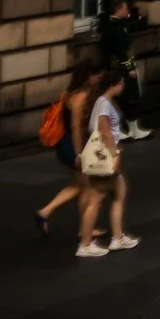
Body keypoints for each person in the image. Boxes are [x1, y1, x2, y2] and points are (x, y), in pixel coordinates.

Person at [73, 67, 138, 257]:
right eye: (121, 83)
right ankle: (85, 245)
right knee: (96, 200)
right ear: (114, 85)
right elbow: (104, 130)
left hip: (104, 156)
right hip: (105, 157)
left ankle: (117, 237)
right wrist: (114, 153)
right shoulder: (104, 104)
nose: (123, 86)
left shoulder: (103, 102)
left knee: (120, 191)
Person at [35, 64, 99, 235]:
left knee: (79, 185)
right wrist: (80, 153)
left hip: (65, 144)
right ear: (88, 77)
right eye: (96, 75)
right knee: (86, 186)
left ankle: (45, 212)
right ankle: (86, 229)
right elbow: (76, 127)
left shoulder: (71, 94)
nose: (98, 79)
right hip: (71, 145)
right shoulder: (80, 97)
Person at [95, 0, 152, 139]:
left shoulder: (114, 25)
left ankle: (131, 128)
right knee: (127, 98)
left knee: (125, 100)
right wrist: (129, 68)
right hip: (120, 68)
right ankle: (125, 129)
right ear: (118, 9)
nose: (127, 11)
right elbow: (122, 51)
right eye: (125, 8)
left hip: (115, 67)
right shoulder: (117, 28)